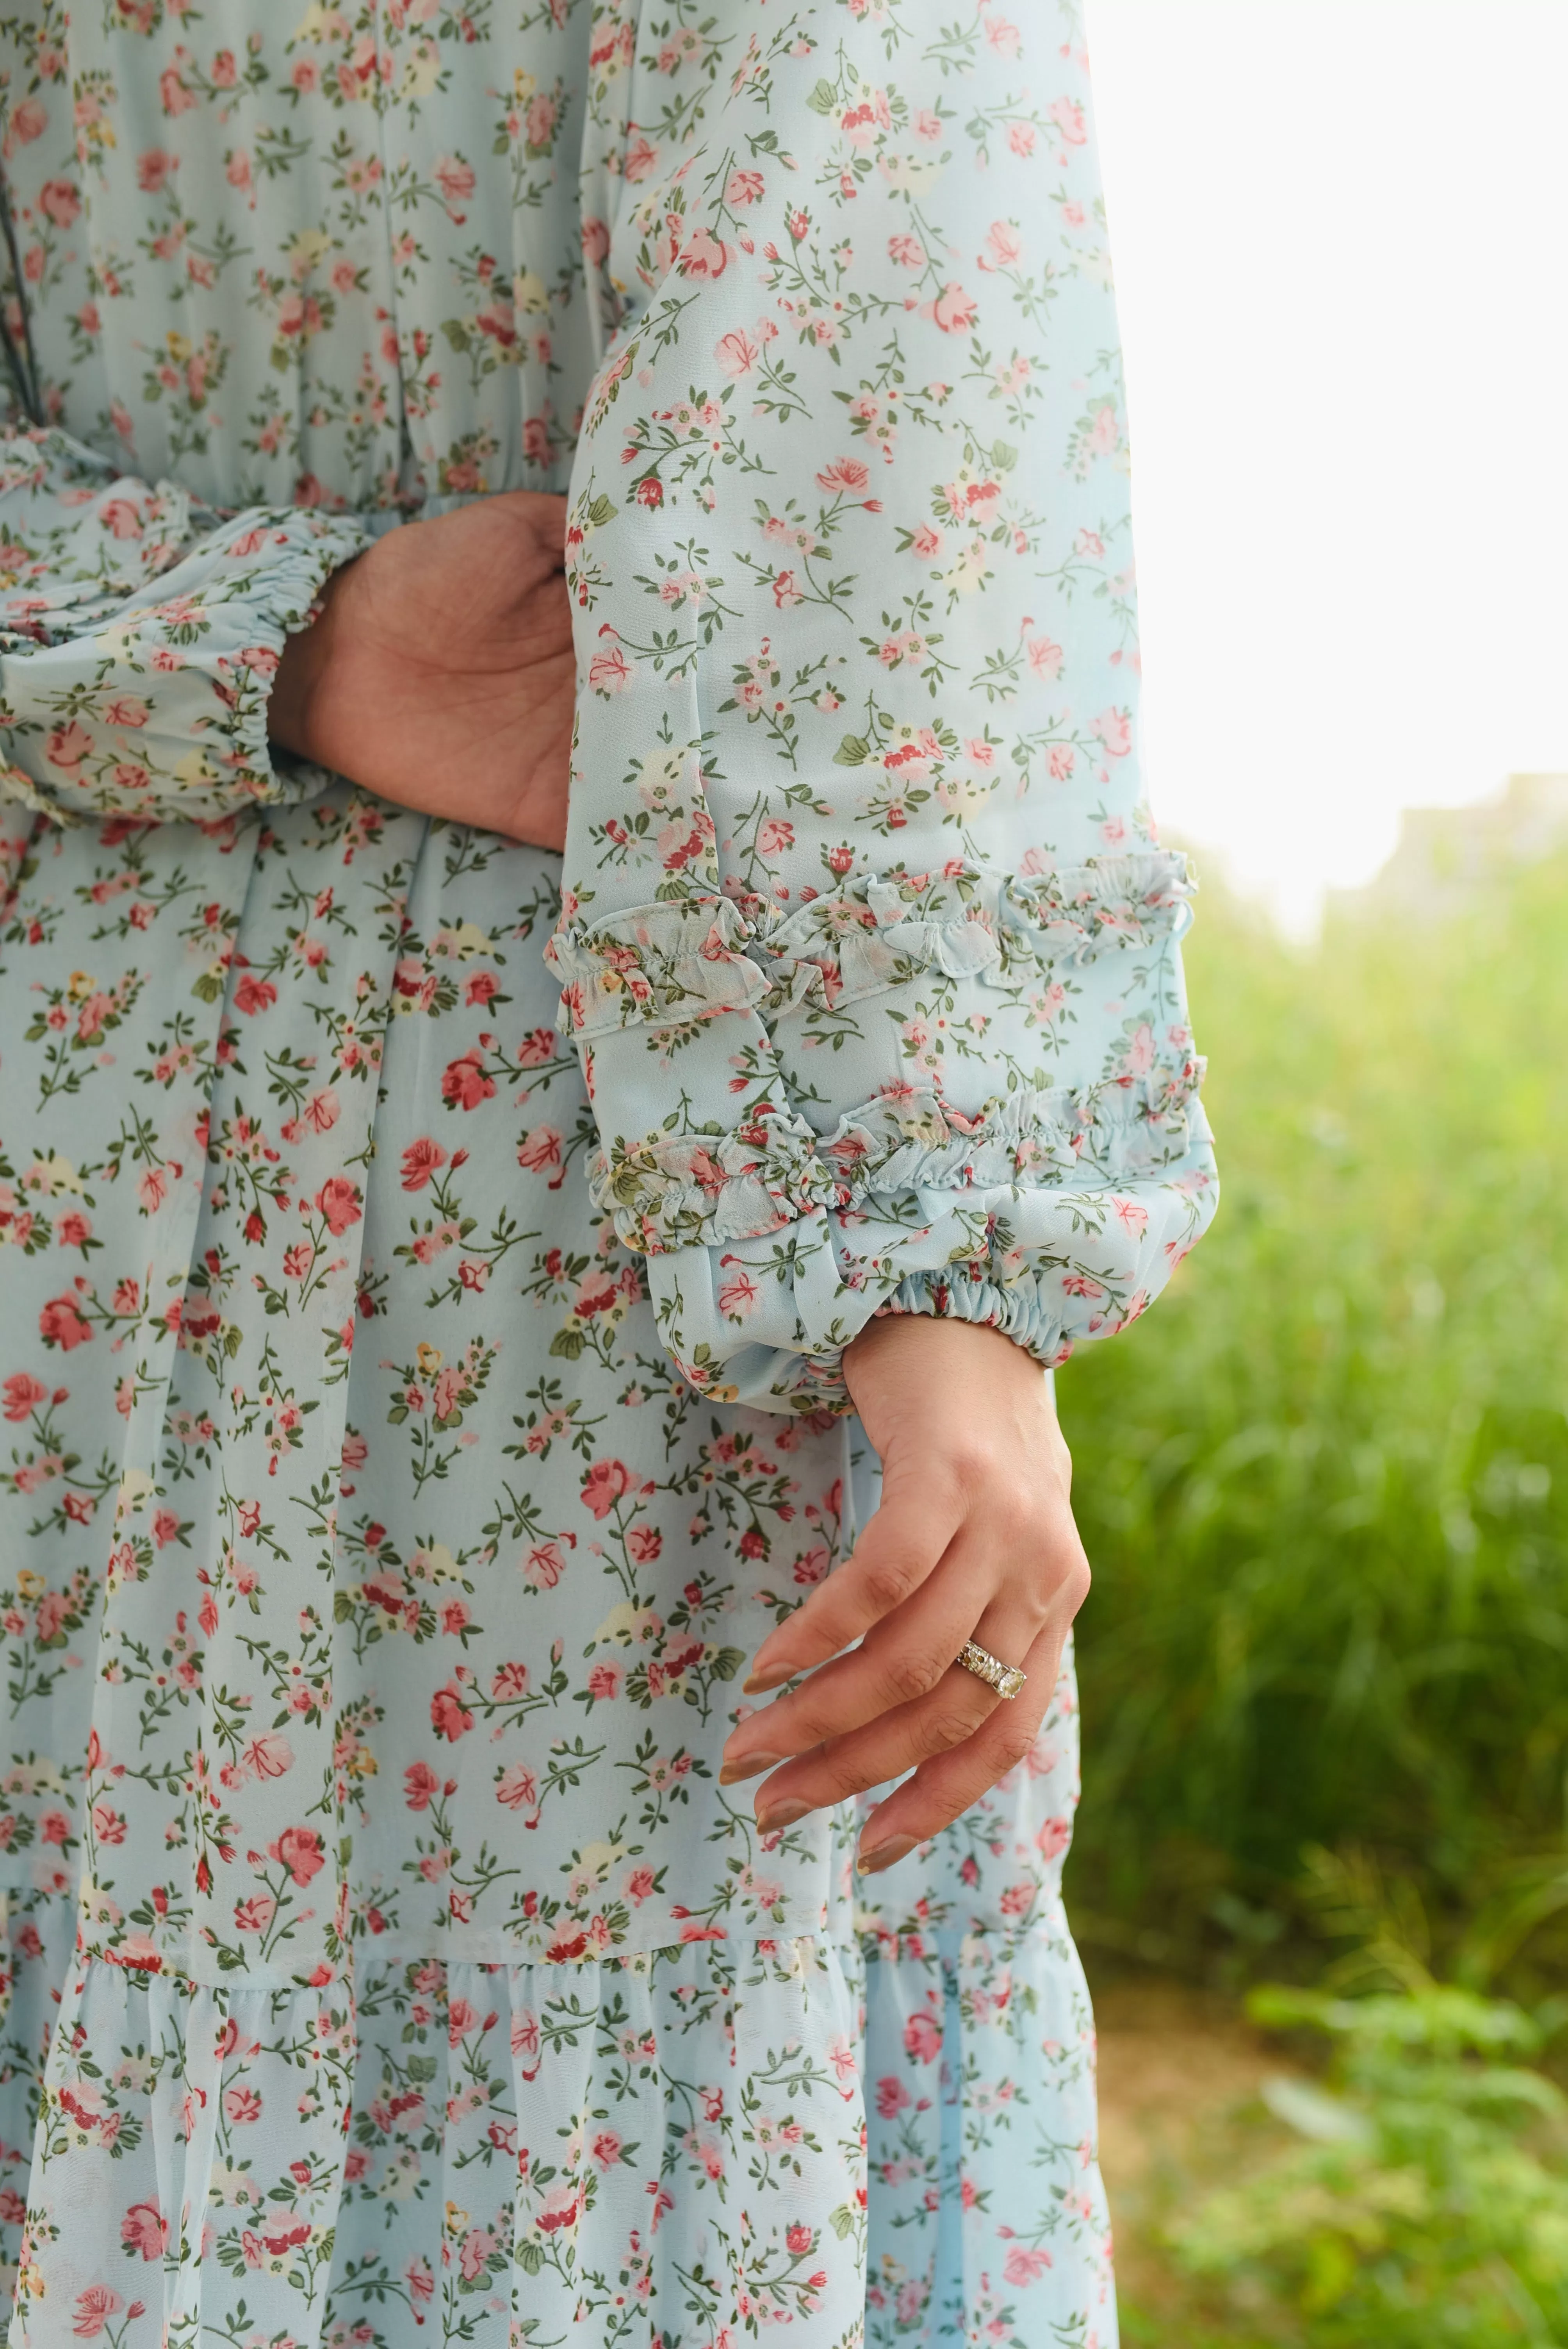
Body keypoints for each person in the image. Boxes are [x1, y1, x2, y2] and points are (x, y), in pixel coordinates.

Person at [0, 3, 1215, 2342]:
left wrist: (270, 634)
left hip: (83, 1109)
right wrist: (940, 1266)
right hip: (605, 1200)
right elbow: (880, 432)